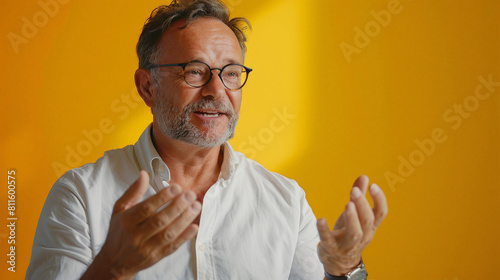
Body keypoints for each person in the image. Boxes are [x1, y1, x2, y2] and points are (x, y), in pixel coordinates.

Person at [27, 0, 388, 279]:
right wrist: (112, 268)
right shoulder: (80, 195)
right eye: (195, 71)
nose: (217, 90)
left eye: (231, 73)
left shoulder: (287, 202)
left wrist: (343, 268)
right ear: (147, 86)